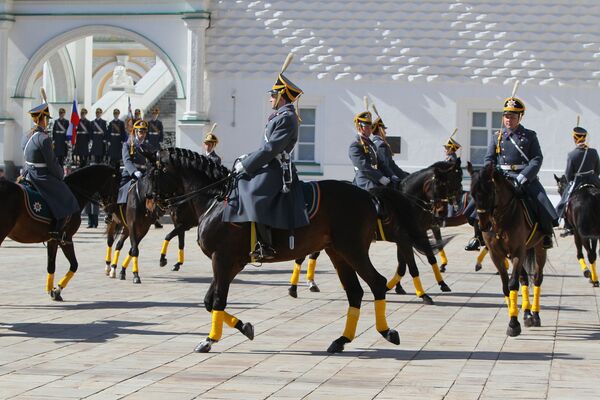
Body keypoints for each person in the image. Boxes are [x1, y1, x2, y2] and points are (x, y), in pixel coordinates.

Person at [222, 54, 309, 261]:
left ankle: (264, 244)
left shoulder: (287, 118)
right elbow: (266, 147)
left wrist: (248, 164)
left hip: (277, 168)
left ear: (282, 97)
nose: (270, 98)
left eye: (273, 95)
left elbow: (271, 149)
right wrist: (247, 157)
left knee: (254, 194)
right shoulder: (279, 116)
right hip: (269, 163)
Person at [483, 95, 558, 248]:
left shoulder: (529, 136)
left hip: (523, 177)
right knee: (479, 200)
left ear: (520, 117)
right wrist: (490, 173)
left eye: (512, 116)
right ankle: (478, 234)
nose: (508, 120)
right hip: (502, 178)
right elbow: (489, 159)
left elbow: (537, 158)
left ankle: (546, 234)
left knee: (541, 201)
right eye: (506, 116)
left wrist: (524, 177)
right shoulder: (497, 137)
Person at [22, 100, 79, 242]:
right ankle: (57, 228)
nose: (47, 122)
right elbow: (52, 163)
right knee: (66, 194)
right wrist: (61, 174)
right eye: (47, 119)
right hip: (40, 175)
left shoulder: (27, 136)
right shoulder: (44, 138)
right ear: (44, 120)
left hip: (28, 172)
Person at [555, 125, 600, 235]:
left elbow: (568, 174)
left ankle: (567, 225)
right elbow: (598, 169)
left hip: (578, 181)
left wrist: (573, 178)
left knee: (565, 201)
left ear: (575, 138)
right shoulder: (593, 152)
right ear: (585, 138)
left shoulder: (572, 155)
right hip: (593, 180)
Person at [349, 109, 391, 190]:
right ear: (359, 127)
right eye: (366, 127)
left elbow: (380, 163)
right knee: (377, 197)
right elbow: (363, 166)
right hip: (364, 180)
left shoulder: (370, 143)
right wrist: (380, 177)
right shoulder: (355, 145)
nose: (369, 130)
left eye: (370, 127)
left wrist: (391, 175)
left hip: (376, 177)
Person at [117, 120, 157, 205]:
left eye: (144, 132)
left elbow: (154, 159)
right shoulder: (127, 144)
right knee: (119, 189)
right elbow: (127, 161)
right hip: (131, 173)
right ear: (136, 132)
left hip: (145, 173)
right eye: (140, 132)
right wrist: (134, 171)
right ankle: (112, 214)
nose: (142, 134)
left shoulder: (148, 146)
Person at [371, 110, 409, 187]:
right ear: (380, 130)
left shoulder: (373, 143)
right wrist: (403, 177)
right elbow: (387, 165)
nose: (385, 132)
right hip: (387, 177)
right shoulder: (381, 145)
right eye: (384, 130)